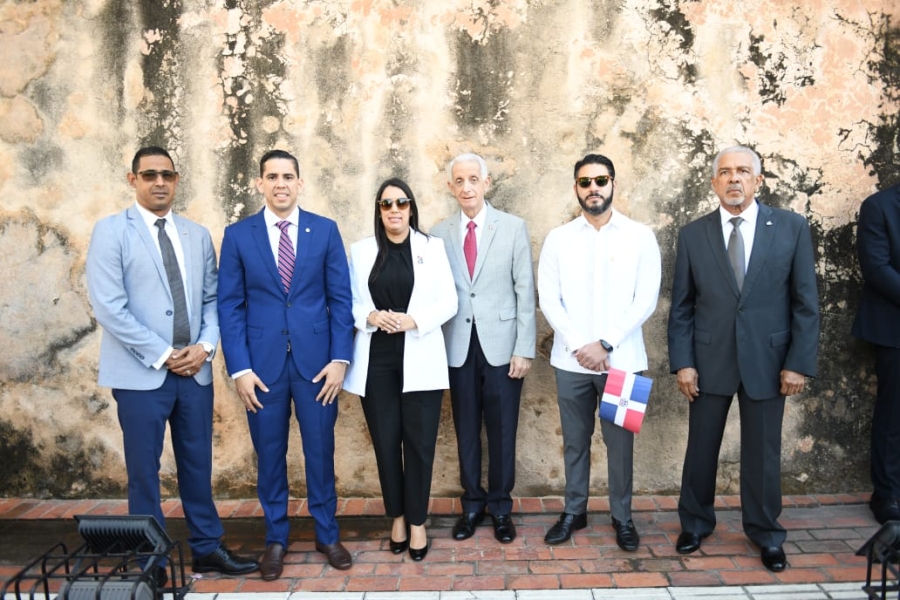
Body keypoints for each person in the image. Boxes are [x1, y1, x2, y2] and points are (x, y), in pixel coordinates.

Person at [85, 146, 258, 582]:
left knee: (198, 465)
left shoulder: (196, 235)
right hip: (141, 373)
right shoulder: (111, 231)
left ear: (177, 179)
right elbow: (109, 307)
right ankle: (151, 562)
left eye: (166, 174)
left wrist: (205, 346)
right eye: (149, 175)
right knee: (144, 472)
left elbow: (213, 299)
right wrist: (164, 355)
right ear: (133, 180)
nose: (159, 182)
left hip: (195, 371)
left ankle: (207, 548)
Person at [667, 145, 819, 572]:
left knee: (764, 455)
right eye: (725, 172)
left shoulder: (790, 227)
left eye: (743, 171)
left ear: (758, 180)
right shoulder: (693, 234)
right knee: (700, 449)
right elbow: (682, 306)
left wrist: (798, 362)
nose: (734, 179)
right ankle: (695, 523)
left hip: (770, 363)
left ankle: (766, 533)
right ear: (714, 182)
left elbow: (805, 303)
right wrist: (683, 362)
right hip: (708, 360)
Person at [217, 149, 354, 579]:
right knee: (270, 456)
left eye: (288, 176)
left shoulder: (325, 230)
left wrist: (340, 359)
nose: (280, 184)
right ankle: (275, 539)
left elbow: (341, 300)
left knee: (321, 452)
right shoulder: (238, 235)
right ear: (259, 183)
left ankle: (327, 534)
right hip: (261, 370)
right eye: (272, 176)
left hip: (318, 368)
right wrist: (240, 370)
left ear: (300, 182)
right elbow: (229, 306)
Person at [537, 153, 661, 551]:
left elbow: (646, 299)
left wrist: (606, 342)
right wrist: (581, 346)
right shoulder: (558, 239)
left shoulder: (640, 236)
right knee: (575, 442)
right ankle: (574, 511)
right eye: (585, 181)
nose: (593, 188)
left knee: (621, 446)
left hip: (624, 363)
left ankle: (623, 518)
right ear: (576, 188)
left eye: (601, 180)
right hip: (571, 362)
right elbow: (549, 299)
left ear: (613, 184)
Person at [343, 178, 458, 561]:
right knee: (386, 442)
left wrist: (414, 321)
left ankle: (418, 521)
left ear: (411, 208)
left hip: (420, 355)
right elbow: (349, 301)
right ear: (379, 210)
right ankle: (397, 516)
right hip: (377, 359)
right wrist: (371, 315)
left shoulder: (432, 248)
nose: (394, 210)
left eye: (401, 203)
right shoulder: (362, 251)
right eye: (386, 204)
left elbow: (449, 301)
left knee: (420, 445)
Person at [431, 153, 536, 544]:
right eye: (459, 181)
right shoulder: (438, 233)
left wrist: (524, 348)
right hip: (458, 346)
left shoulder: (512, 227)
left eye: (473, 179)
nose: (467, 187)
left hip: (503, 346)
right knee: (466, 429)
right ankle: (472, 504)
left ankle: (501, 508)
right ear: (450, 186)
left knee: (503, 429)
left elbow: (525, 291)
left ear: (487, 183)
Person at [851, 183, 900, 525]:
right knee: (893, 416)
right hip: (895, 329)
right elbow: (877, 268)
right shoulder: (879, 206)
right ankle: (887, 494)